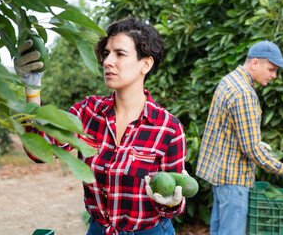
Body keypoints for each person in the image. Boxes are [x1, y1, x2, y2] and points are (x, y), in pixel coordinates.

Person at [14, 17, 187, 235]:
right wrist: (32, 89)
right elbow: (40, 151)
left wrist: (171, 201)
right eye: (106, 54)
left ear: (146, 64)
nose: (107, 61)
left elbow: (175, 207)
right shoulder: (88, 113)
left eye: (120, 54)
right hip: (99, 230)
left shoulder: (168, 129)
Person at [195, 40, 283, 235]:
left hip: (219, 174)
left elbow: (224, 127)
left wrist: (253, 141)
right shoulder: (244, 94)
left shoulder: (230, 80)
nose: (274, 76)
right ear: (255, 63)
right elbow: (251, 150)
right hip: (234, 178)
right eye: (272, 69)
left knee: (219, 230)